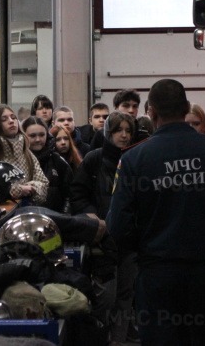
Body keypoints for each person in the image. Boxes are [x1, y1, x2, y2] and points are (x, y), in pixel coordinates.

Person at [106, 79, 205, 345]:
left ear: (150, 111)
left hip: (158, 277)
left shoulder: (133, 159)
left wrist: (147, 246)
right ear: (186, 107)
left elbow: (117, 226)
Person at [71, 111, 135, 343]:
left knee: (127, 292)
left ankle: (118, 338)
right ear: (109, 132)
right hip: (101, 238)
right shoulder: (94, 159)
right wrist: (92, 218)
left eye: (128, 131)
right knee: (105, 293)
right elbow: (78, 194)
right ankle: (100, 337)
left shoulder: (137, 158)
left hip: (129, 238)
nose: (124, 135)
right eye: (119, 130)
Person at [0, 104, 49, 205]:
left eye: (13, 117)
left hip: (25, 209)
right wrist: (18, 190)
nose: (11, 121)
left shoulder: (26, 151)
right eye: (4, 119)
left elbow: (43, 183)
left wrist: (30, 188)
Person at [22, 116, 72, 213]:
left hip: (55, 219)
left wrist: (65, 215)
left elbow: (69, 196)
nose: (38, 139)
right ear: (24, 136)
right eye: (32, 136)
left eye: (42, 135)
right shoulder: (18, 161)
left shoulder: (58, 161)